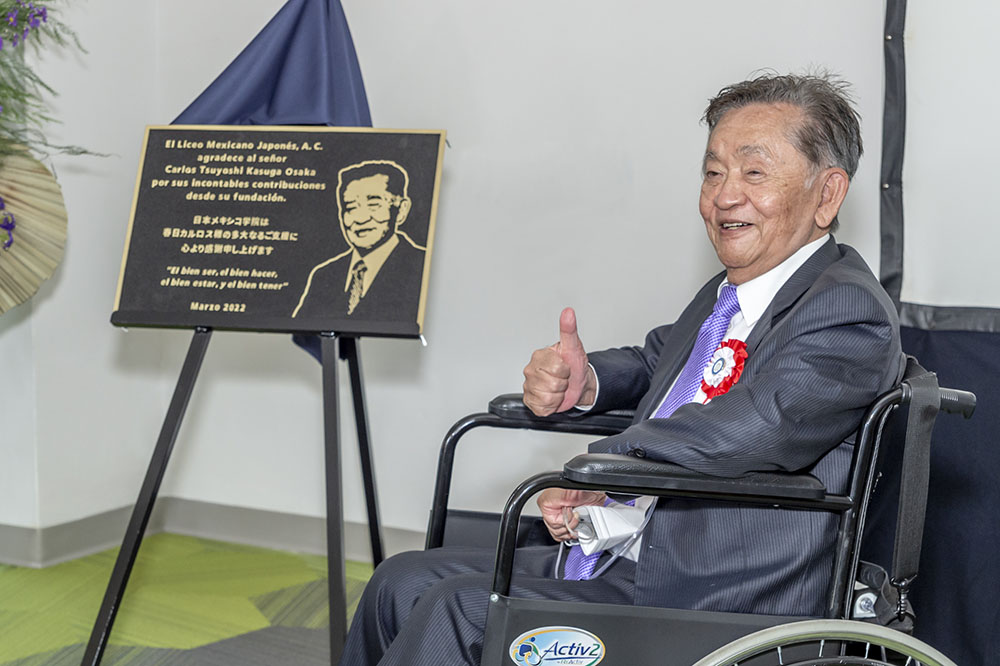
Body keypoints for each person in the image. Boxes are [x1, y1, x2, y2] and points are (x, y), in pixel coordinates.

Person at [339, 73, 905, 666]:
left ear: (828, 194)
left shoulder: (848, 310)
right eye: (713, 173)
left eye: (754, 172)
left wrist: (614, 464)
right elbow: (660, 360)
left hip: (709, 591)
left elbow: (757, 424)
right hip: (631, 548)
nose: (724, 196)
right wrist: (588, 383)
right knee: (398, 583)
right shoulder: (737, 291)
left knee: (455, 611)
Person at [292, 159, 426, 322]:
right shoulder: (324, 276)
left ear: (401, 210)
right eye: (351, 207)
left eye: (373, 204)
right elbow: (305, 337)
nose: (360, 218)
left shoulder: (422, 268)